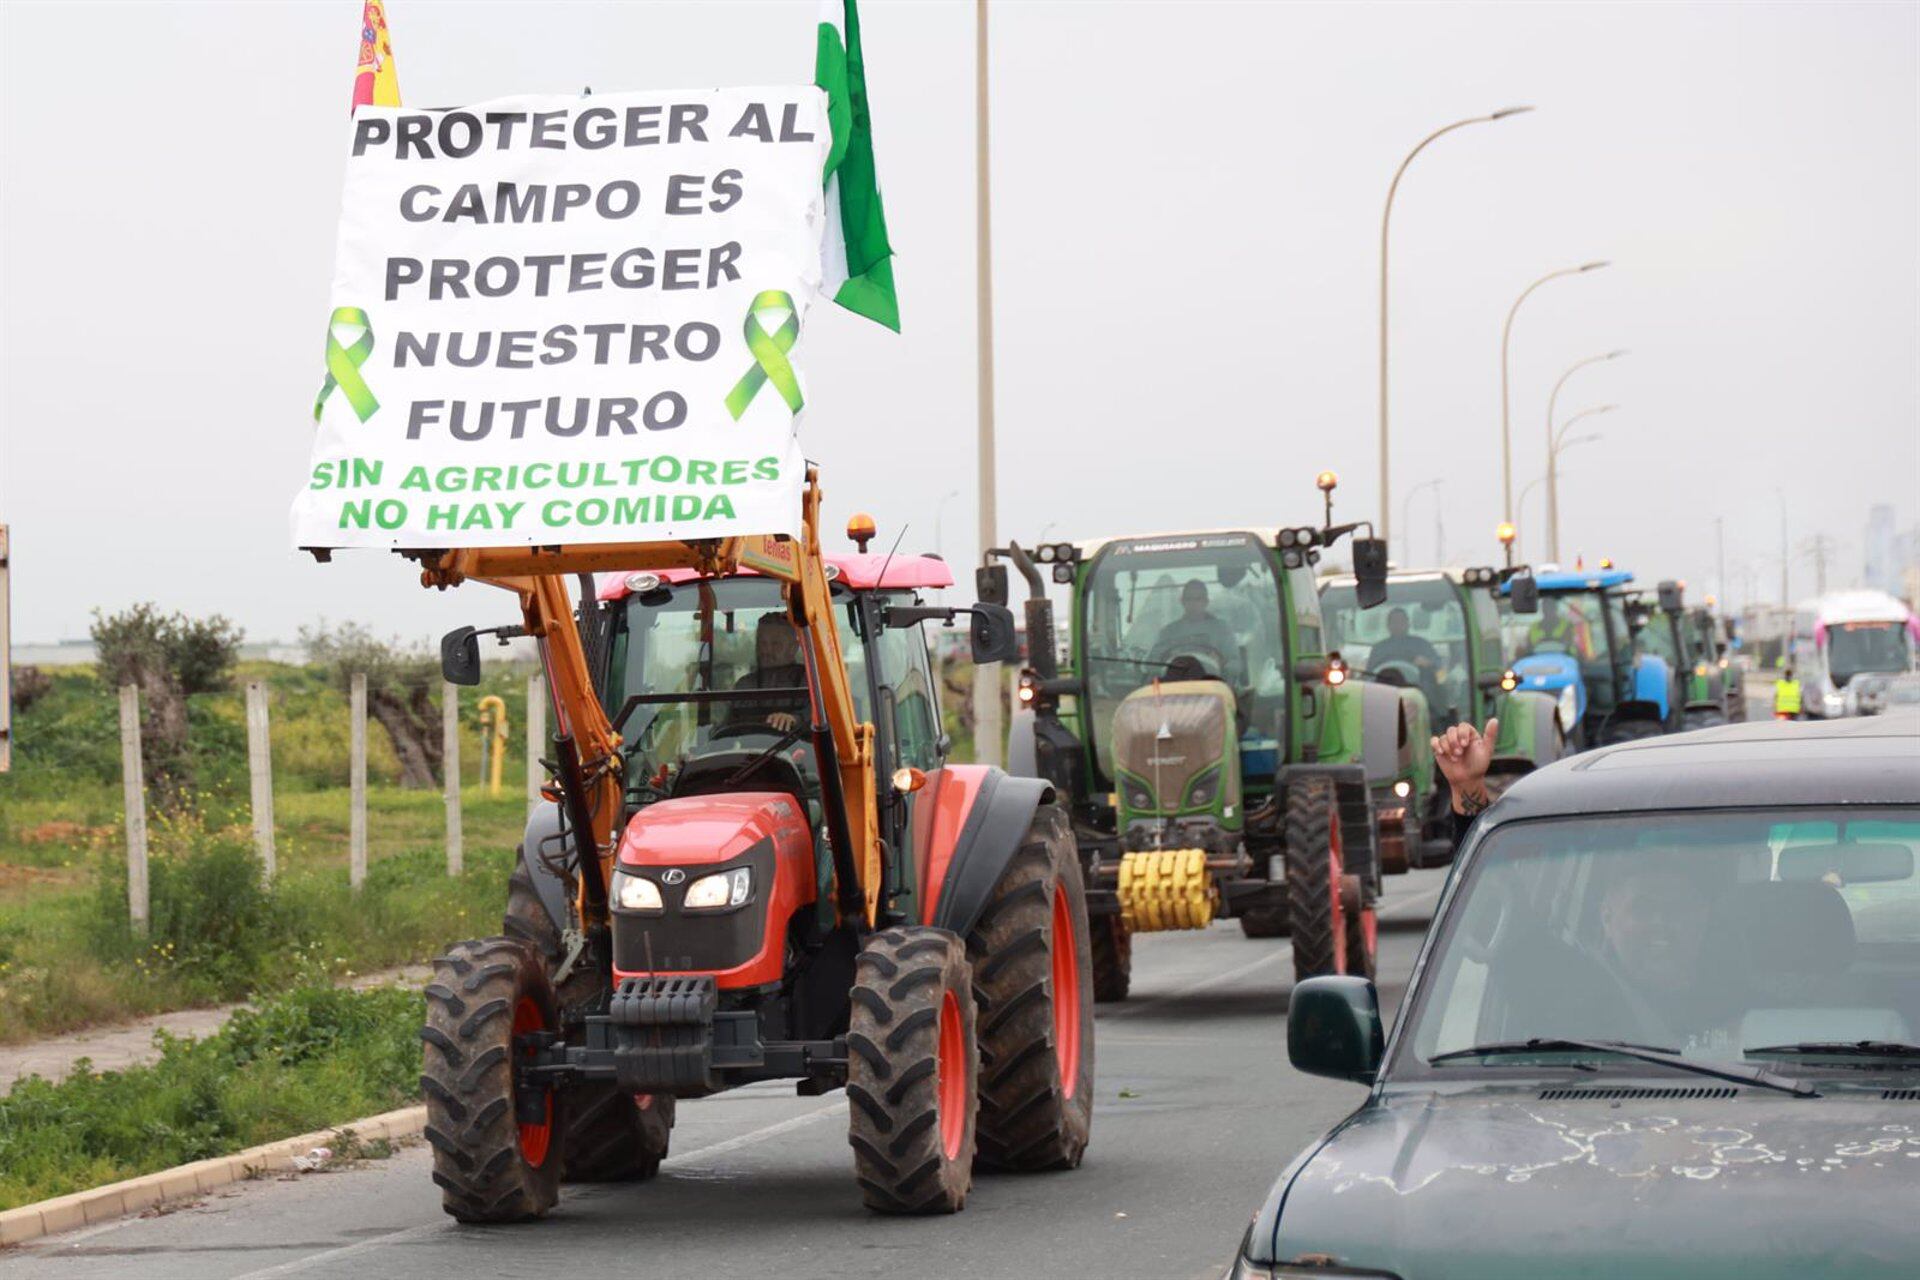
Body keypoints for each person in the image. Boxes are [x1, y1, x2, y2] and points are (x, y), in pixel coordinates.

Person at [1149, 579, 1242, 681]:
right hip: (1173, 687)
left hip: (1213, 687)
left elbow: (1236, 665)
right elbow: (1151, 664)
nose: (1193, 603)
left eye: (1198, 599)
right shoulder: (1168, 632)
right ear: (1182, 601)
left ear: (1206, 602)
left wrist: (1222, 663)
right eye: (1189, 599)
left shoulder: (1222, 629)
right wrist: (1166, 662)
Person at [729, 614, 809, 733]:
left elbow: (821, 714)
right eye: (762, 643)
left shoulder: (810, 682)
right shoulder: (744, 685)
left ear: (793, 647)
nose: (766, 650)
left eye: (775, 644)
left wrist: (796, 719)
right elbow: (728, 725)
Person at [1524, 597, 1591, 660]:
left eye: (1550, 608)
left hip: (1566, 659)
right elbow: (1528, 648)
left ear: (1555, 609)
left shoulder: (1566, 625)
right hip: (1537, 663)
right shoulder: (1534, 627)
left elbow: (1570, 642)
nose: (1548, 611)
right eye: (1545, 608)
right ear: (1542, 610)